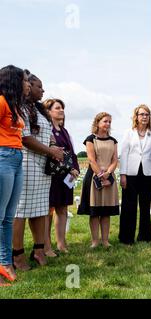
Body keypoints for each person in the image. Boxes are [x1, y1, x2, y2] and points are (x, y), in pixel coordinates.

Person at [13, 71, 65, 270]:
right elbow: (25, 138)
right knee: (21, 210)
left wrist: (54, 146)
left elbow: (47, 133)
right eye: (38, 86)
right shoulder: (21, 108)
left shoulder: (38, 109)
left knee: (40, 210)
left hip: (42, 167)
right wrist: (50, 150)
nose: (42, 90)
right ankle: (17, 254)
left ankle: (39, 250)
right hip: (27, 164)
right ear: (28, 87)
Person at [0, 65, 30, 286]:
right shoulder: (1, 102)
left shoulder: (15, 105)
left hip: (16, 157)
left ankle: (5, 263)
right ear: (14, 81)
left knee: (8, 217)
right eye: (24, 80)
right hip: (3, 156)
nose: (26, 84)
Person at [119, 105, 151, 245]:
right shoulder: (128, 133)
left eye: (147, 114)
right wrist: (123, 174)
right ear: (136, 116)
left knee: (145, 205)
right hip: (130, 173)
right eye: (141, 114)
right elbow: (124, 154)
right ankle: (126, 237)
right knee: (128, 206)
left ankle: (144, 236)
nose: (144, 117)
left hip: (148, 174)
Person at [43, 99, 80, 256]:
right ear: (49, 111)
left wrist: (75, 169)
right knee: (48, 210)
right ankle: (45, 245)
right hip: (52, 175)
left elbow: (72, 153)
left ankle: (61, 243)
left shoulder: (65, 132)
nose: (61, 110)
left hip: (65, 176)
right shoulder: (47, 130)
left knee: (62, 209)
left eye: (62, 108)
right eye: (57, 108)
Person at [77, 112, 119, 248]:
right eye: (105, 121)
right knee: (95, 212)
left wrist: (108, 173)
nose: (107, 124)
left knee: (106, 211)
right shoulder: (90, 139)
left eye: (109, 122)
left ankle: (105, 241)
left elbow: (115, 159)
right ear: (98, 123)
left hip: (109, 177)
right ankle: (95, 241)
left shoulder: (113, 140)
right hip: (94, 177)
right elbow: (91, 159)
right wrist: (101, 174)